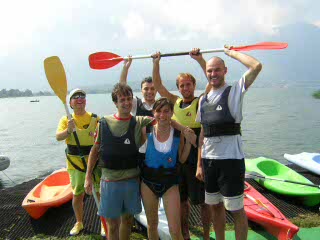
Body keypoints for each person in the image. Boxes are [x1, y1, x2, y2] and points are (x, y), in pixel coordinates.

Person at [84, 83, 195, 240]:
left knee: (128, 222)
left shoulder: (140, 121)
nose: (126, 103)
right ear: (115, 103)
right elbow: (95, 150)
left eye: (129, 99)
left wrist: (184, 130)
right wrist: (88, 176)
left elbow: (164, 119)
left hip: (132, 180)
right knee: (113, 225)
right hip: (110, 180)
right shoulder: (104, 123)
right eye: (122, 100)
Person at [195, 47, 262, 240]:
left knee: (236, 209)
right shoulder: (203, 100)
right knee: (215, 207)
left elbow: (256, 66)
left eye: (217, 70)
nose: (213, 74)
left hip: (230, 160)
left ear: (225, 71)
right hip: (209, 161)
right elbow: (202, 134)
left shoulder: (234, 92)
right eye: (209, 71)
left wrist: (232, 53)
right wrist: (199, 164)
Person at [152, 51, 212, 240]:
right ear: (178, 88)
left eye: (188, 84)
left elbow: (211, 81)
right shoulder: (175, 101)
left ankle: (206, 235)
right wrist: (156, 62)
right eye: (182, 85)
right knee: (181, 200)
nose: (185, 88)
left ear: (194, 85)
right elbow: (159, 86)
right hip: (179, 155)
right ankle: (185, 234)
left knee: (204, 201)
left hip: (198, 153)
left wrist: (200, 59)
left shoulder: (201, 100)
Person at [140, 97, 192, 240]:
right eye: (158, 111)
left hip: (170, 184)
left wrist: (188, 142)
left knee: (175, 230)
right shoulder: (146, 130)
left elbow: (181, 159)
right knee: (152, 224)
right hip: (148, 183)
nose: (162, 115)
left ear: (171, 113)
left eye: (166, 111)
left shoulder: (177, 133)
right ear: (153, 112)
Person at [56, 88, 103, 236]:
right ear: (70, 103)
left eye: (82, 96)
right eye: (75, 97)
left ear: (85, 101)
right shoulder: (66, 120)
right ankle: (79, 222)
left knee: (99, 192)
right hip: (75, 165)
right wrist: (68, 131)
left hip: (94, 163)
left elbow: (104, 138)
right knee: (78, 194)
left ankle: (103, 221)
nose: (79, 99)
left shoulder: (96, 119)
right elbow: (58, 137)